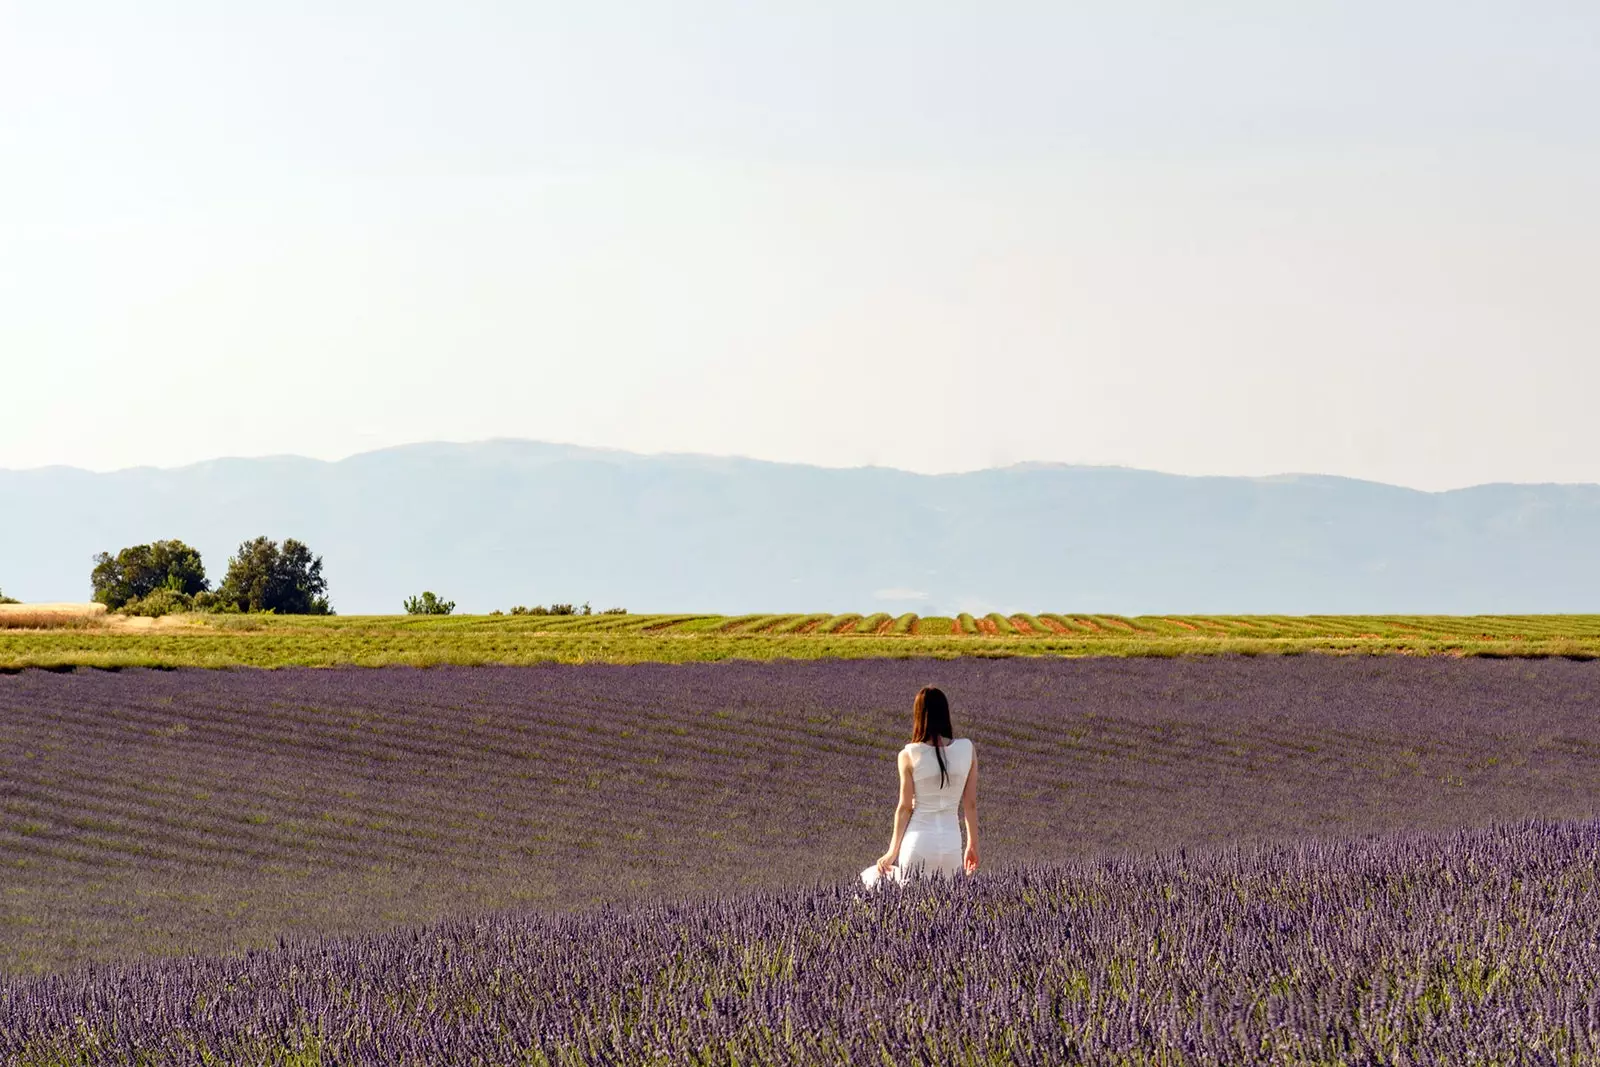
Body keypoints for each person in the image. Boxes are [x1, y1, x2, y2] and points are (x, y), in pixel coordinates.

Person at [861, 685, 979, 887]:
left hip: (918, 844)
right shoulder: (967, 749)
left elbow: (905, 807)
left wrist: (892, 852)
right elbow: (971, 805)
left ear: (918, 716)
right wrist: (972, 845)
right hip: (951, 847)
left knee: (899, 900)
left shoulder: (908, 754)